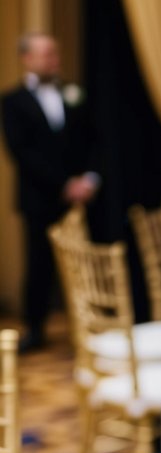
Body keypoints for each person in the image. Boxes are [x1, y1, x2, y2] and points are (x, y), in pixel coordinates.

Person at [1, 33, 99, 352]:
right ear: (26, 58)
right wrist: (63, 184)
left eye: (54, 54)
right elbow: (22, 152)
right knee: (39, 265)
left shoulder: (74, 93)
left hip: (82, 197)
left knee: (86, 262)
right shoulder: (12, 101)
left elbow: (92, 139)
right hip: (39, 197)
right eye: (44, 54)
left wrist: (88, 180)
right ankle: (36, 327)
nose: (51, 60)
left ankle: (89, 326)